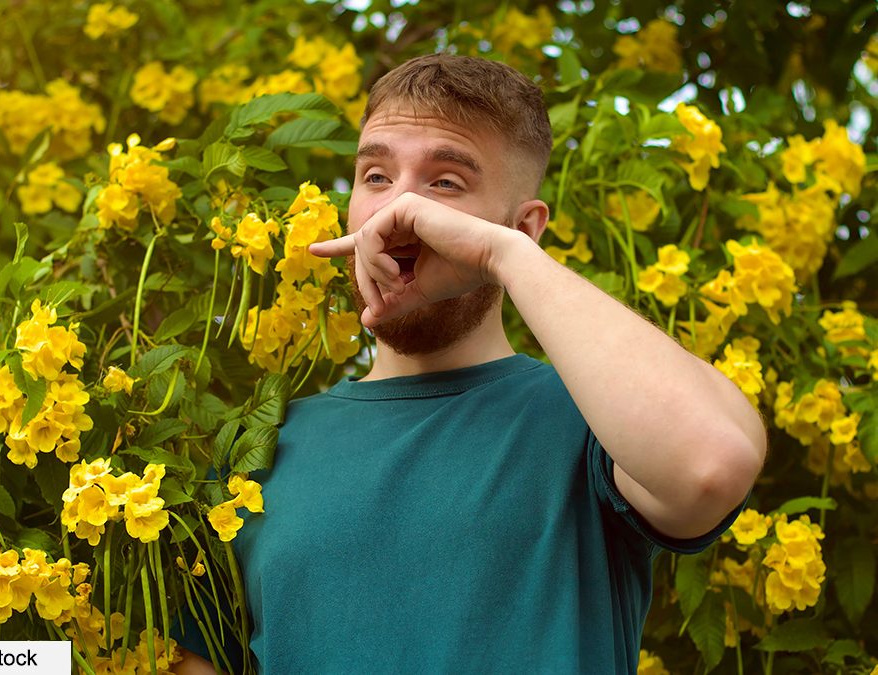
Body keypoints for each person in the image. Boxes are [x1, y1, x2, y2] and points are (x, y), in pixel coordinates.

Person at [174, 53, 766, 674]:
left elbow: (711, 463)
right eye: (375, 177)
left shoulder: (589, 422)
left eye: (446, 183)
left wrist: (500, 256)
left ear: (524, 228)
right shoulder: (254, 452)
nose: (397, 212)